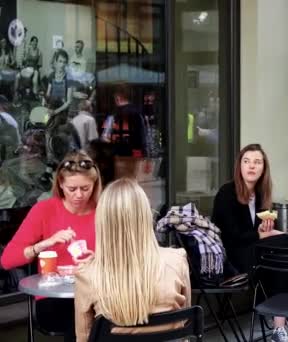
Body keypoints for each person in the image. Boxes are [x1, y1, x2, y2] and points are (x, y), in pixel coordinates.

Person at [0, 150, 101, 341]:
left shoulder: (103, 210)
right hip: (56, 298)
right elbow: (7, 260)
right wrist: (43, 244)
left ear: (95, 185)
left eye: (85, 188)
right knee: (82, 318)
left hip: (97, 292)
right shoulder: (44, 210)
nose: (79, 195)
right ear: (61, 184)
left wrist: (98, 258)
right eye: (72, 189)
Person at [74, 178, 190, 342]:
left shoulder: (87, 275)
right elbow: (184, 320)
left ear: (102, 222)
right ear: (146, 216)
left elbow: (84, 338)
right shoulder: (177, 260)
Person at [212, 143, 288, 342]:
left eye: (257, 162)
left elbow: (258, 233)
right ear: (239, 166)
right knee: (282, 252)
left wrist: (267, 231)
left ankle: (283, 320)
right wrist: (262, 235)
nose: (251, 166)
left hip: (255, 250)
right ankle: (286, 315)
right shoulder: (226, 193)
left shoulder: (261, 193)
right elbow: (233, 236)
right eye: (246, 162)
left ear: (264, 168)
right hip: (232, 257)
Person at [46, 49, 74, 116]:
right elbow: (48, 94)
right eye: (60, 61)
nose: (62, 65)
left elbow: (69, 102)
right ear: (56, 62)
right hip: (51, 107)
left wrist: (55, 112)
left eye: (64, 62)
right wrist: (46, 104)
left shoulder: (69, 78)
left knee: (55, 124)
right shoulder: (51, 75)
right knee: (45, 122)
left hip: (62, 110)